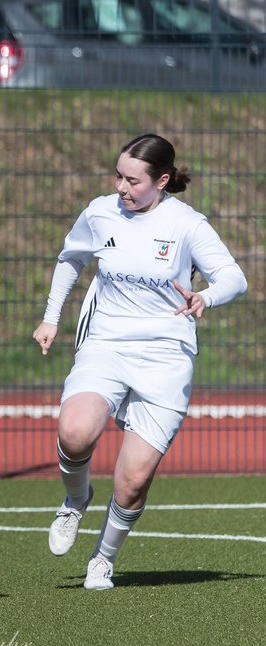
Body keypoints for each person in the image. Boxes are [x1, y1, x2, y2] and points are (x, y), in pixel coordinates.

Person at [33, 133, 247, 590]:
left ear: (162, 180)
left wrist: (204, 296)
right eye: (118, 176)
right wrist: (51, 319)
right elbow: (71, 259)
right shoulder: (100, 211)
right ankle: (75, 501)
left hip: (165, 357)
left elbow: (234, 277)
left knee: (132, 481)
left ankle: (103, 560)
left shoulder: (186, 224)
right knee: (74, 432)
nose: (121, 188)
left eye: (132, 180)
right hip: (106, 341)